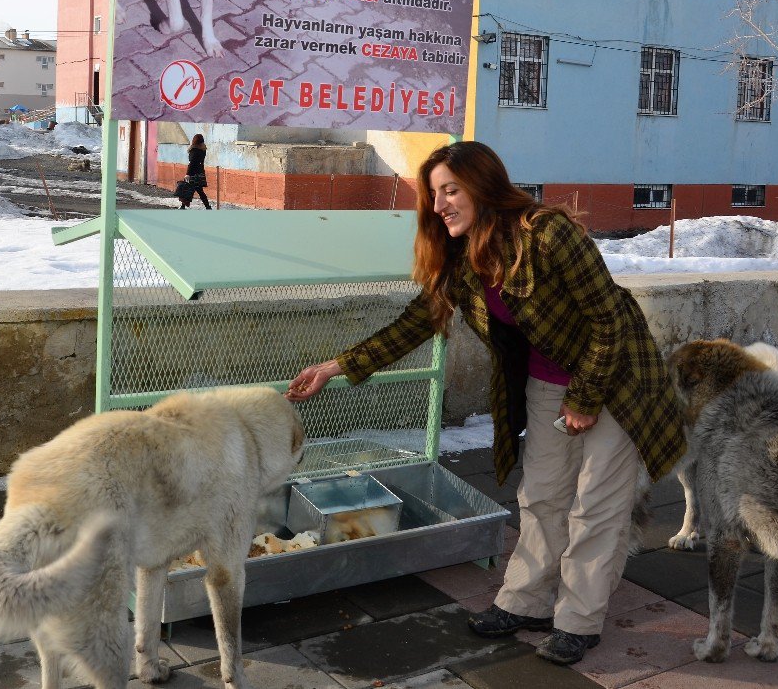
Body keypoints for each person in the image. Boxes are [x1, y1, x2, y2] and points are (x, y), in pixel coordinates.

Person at [288, 141, 685, 665]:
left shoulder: (547, 233)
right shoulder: (461, 257)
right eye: (434, 194)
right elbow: (416, 322)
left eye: (450, 190)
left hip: (617, 381)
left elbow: (610, 319)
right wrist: (335, 367)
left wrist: (587, 398)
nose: (439, 205)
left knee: (596, 507)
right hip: (548, 386)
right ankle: (526, 601)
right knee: (541, 497)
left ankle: (579, 620)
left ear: (484, 186)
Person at [181, 133, 211, 209]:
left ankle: (183, 207)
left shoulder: (194, 150)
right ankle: (208, 207)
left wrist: (188, 174)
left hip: (193, 174)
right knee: (200, 191)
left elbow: (192, 163)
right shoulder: (203, 150)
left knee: (188, 190)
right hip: (200, 173)